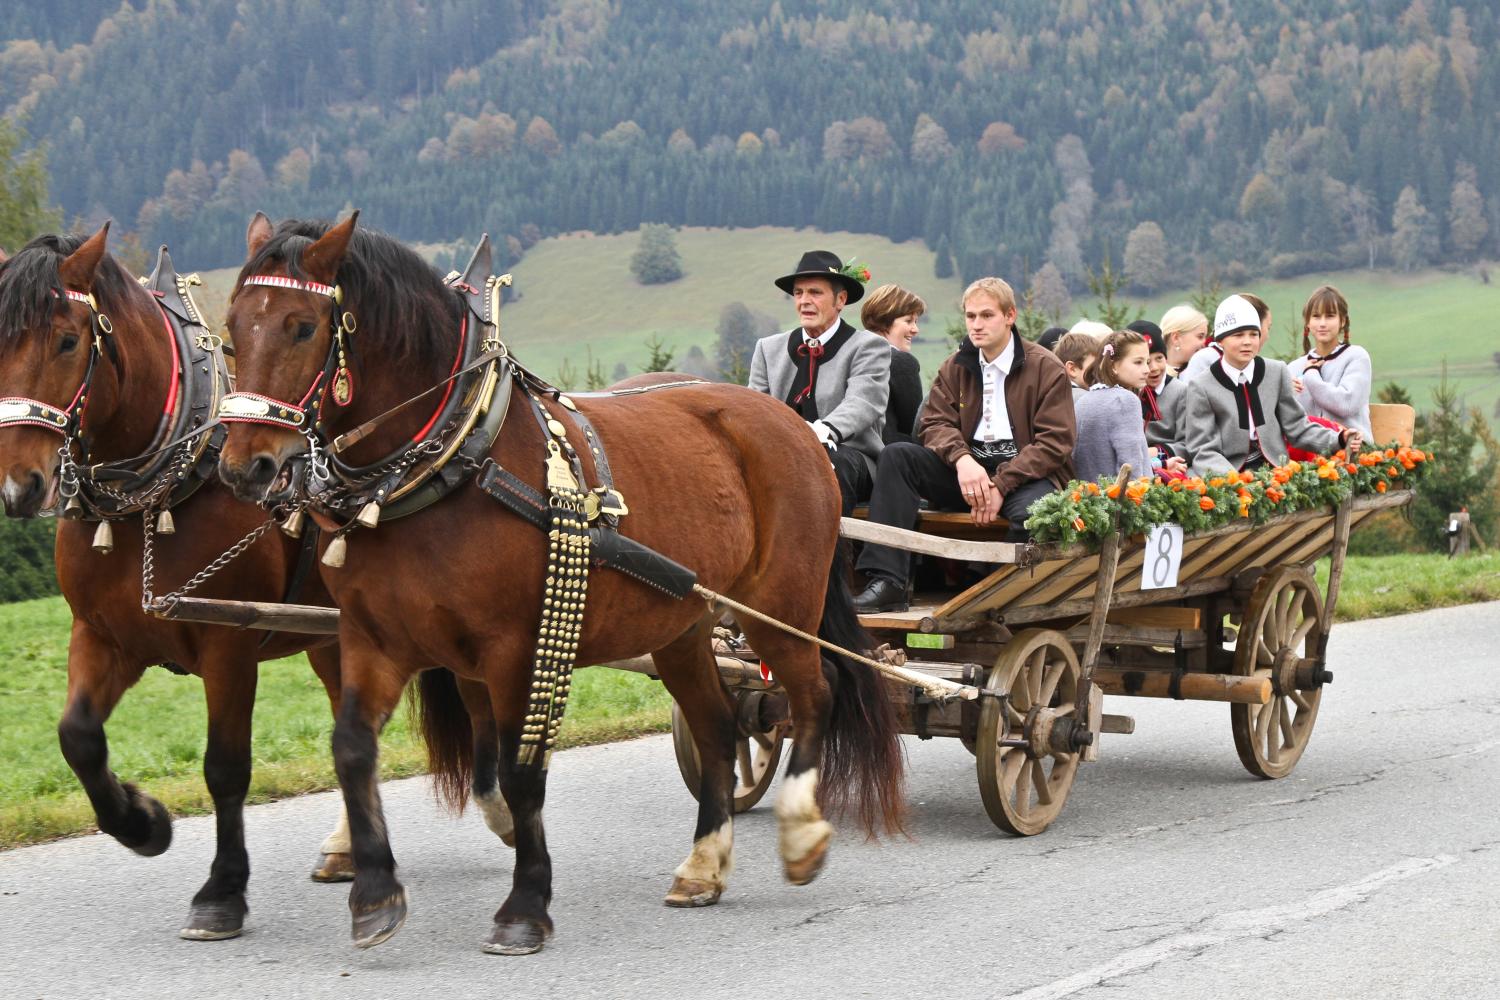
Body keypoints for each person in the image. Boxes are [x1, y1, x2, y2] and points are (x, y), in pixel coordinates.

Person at [853, 277, 1076, 613]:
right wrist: (963, 461)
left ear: (1010, 316)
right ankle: (888, 582)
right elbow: (933, 424)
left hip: (1024, 477)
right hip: (967, 474)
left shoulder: (1045, 367)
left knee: (1036, 514)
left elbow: (1055, 441)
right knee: (897, 457)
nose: (976, 325)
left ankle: (997, 598)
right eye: (971, 316)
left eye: (986, 315)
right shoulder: (956, 366)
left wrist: (1001, 484)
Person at [749, 250, 890, 514]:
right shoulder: (768, 349)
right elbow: (756, 409)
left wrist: (821, 433)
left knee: (830, 464)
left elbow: (862, 403)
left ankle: (829, 542)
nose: (804, 301)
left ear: (841, 299)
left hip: (850, 457)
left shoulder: (868, 347)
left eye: (815, 293)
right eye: (798, 293)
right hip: (782, 453)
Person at [1182, 295, 1361, 475]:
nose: (1247, 342)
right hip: (1229, 473)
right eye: (1238, 335)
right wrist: (1232, 480)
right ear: (1220, 340)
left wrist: (1338, 439)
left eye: (1253, 334)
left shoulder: (1276, 372)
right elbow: (1203, 449)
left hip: (1276, 470)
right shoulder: (1201, 386)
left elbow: (1297, 428)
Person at [1289, 284, 1371, 439]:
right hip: (1309, 448)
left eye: (1330, 316)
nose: (1322, 323)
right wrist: (1286, 393)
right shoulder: (1294, 368)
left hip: (1353, 447)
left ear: (1342, 321)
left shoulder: (1357, 357)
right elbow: (1288, 418)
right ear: (1308, 322)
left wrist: (1310, 374)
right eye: (1316, 316)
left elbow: (1346, 405)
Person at [1073, 330, 1153, 483]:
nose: (1147, 370)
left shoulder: (1083, 400)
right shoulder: (1124, 400)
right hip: (1122, 496)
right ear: (1113, 365)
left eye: (1147, 362)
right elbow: (1131, 467)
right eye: (1138, 362)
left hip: (1088, 494)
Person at [860, 283, 926, 444]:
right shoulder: (900, 362)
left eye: (915, 322)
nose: (915, 329)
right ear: (885, 319)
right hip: (887, 452)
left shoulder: (849, 352)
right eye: (908, 321)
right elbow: (913, 424)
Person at [1159, 304, 1209, 374]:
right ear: (1176, 338)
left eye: (1205, 337)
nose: (1205, 343)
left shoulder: (1206, 371)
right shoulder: (1152, 377)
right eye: (1200, 336)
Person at [1054, 331, 1101, 404]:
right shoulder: (1085, 399)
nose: (1100, 371)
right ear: (1072, 369)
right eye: (1094, 367)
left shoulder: (1054, 395)